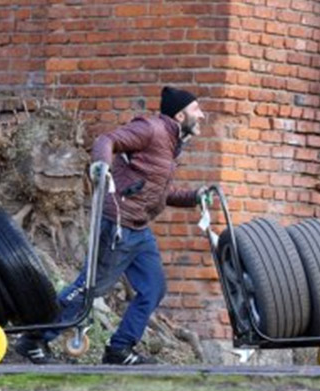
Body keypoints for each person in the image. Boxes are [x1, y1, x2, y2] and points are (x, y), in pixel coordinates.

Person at [14, 86, 211, 365]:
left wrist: (195, 197)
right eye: (196, 110)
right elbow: (107, 140)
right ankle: (33, 339)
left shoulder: (170, 142)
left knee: (153, 287)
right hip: (118, 224)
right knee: (89, 287)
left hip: (139, 229)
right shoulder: (151, 129)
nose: (201, 115)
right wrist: (101, 166)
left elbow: (157, 192)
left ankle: (119, 349)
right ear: (180, 115)